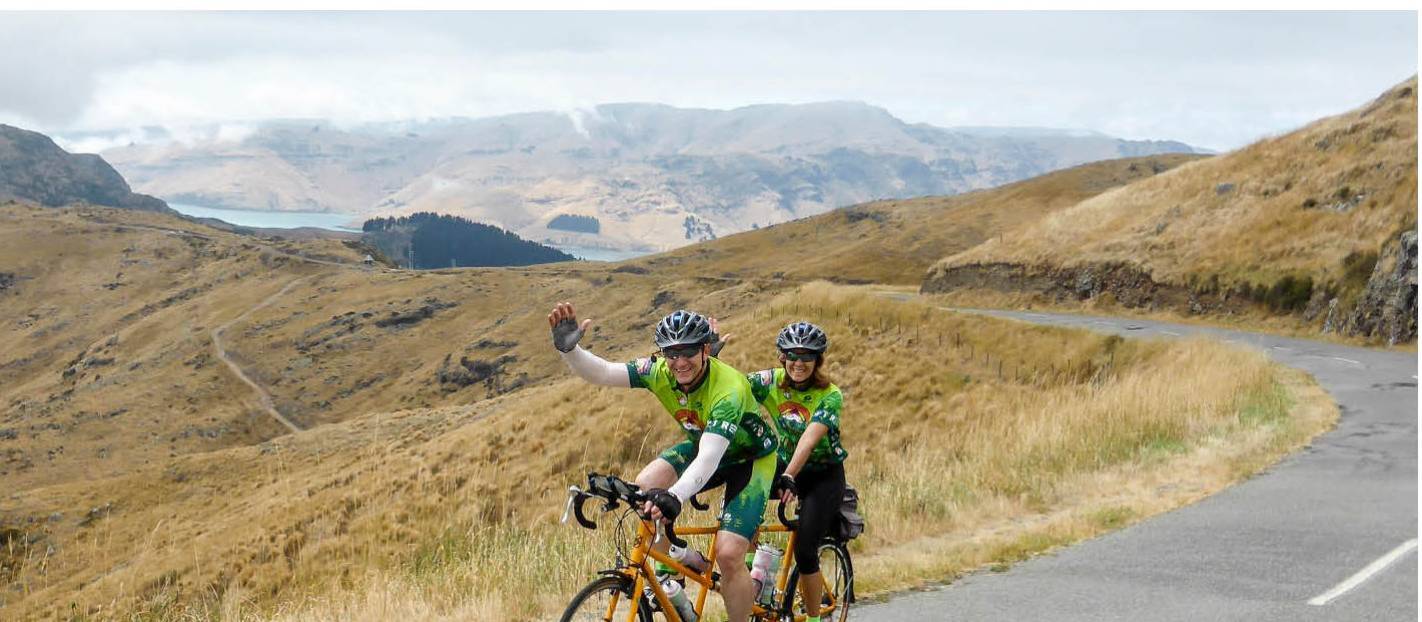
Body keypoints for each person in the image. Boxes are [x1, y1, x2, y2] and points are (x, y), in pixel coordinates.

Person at [548, 302, 777, 622]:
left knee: (728, 554)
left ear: (705, 349)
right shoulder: (659, 372)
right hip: (703, 445)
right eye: (671, 353)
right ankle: (681, 559)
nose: (679, 362)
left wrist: (675, 496)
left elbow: (710, 457)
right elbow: (602, 372)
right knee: (644, 487)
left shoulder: (730, 388)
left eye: (688, 352)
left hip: (749, 458)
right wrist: (569, 351)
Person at [748, 321, 847, 622]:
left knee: (805, 552)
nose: (798, 363)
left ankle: (815, 618)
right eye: (792, 355)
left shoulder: (830, 394)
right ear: (782, 357)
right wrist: (708, 357)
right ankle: (756, 578)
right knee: (745, 498)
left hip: (822, 475)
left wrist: (789, 475)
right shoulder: (771, 381)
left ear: (818, 360)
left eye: (807, 357)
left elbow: (809, 438)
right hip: (786, 464)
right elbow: (732, 385)